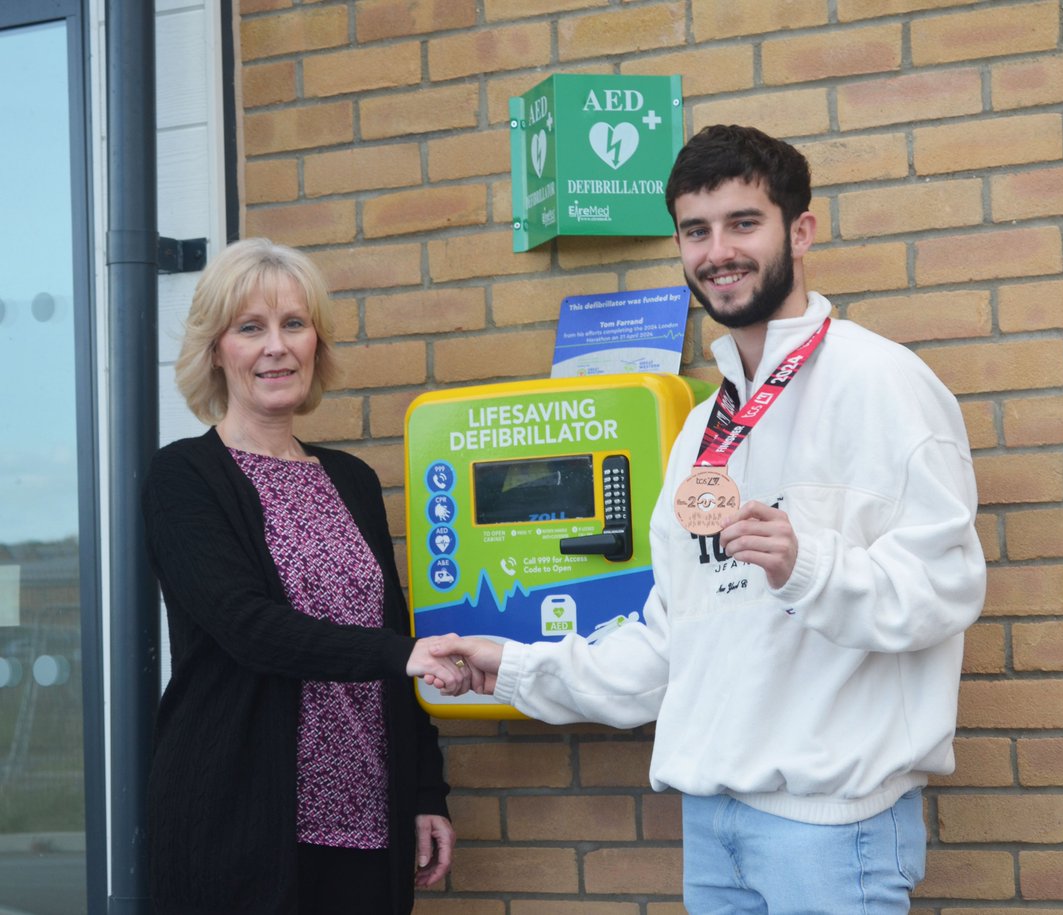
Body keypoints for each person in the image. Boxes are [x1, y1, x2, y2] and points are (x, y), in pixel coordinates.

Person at [431, 125, 987, 913]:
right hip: (713, 825)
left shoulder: (884, 384)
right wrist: (516, 666)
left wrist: (809, 564)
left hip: (829, 831)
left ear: (800, 231)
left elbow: (947, 588)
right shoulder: (704, 429)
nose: (717, 250)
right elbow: (672, 642)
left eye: (742, 223)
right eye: (696, 230)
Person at [142, 238, 468, 915]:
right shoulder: (185, 478)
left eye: (294, 324)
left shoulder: (350, 478)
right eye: (250, 328)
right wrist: (402, 653)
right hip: (241, 823)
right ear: (215, 349)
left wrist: (424, 792)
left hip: (365, 819)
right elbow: (248, 625)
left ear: (316, 342)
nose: (276, 346)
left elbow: (389, 632)